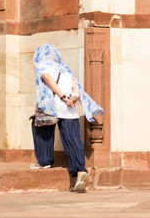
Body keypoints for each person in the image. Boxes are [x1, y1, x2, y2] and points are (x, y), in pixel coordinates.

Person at [31, 43, 103, 193]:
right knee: (73, 140)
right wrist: (73, 99)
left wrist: (63, 98)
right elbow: (76, 88)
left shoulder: (43, 67)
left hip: (53, 106)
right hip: (70, 109)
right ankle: (80, 170)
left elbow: (48, 80)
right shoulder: (64, 70)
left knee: (42, 130)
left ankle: (44, 161)